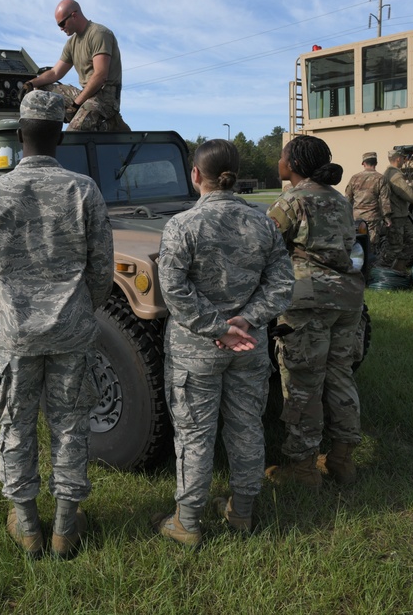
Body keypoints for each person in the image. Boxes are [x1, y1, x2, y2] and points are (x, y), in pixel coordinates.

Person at [0, 90, 114, 559]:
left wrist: (5, 310)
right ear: (59, 135)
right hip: (71, 329)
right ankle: (65, 528)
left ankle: (28, 527)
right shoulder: (83, 189)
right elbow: (102, 268)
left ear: (19, 135)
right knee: (71, 425)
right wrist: (78, 310)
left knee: (16, 424)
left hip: (16, 332)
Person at [154, 140, 293, 547]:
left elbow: (173, 290)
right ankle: (242, 512)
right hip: (249, 345)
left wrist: (217, 328)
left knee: (195, 435)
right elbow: (282, 284)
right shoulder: (263, 222)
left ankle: (188, 523)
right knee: (246, 426)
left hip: (196, 352)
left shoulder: (183, 225)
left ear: (196, 175)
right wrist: (244, 321)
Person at [266, 135, 366, 487]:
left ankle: (303, 468)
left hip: (308, 300)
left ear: (292, 164)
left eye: (281, 156)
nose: (278, 161)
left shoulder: (292, 200)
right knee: (340, 374)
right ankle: (342, 459)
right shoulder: (339, 200)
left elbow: (265, 248)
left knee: (304, 381)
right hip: (348, 298)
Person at [18, 0, 129, 132]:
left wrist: (75, 106)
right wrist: (31, 83)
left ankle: (111, 122)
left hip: (105, 98)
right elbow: (55, 73)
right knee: (41, 89)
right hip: (87, 94)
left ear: (74, 15)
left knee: (72, 135)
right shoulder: (72, 44)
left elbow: (100, 75)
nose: (61, 28)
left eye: (62, 23)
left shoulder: (99, 34)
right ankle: (47, 131)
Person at [381, 150, 413, 272]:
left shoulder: (389, 173)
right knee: (395, 246)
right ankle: (380, 270)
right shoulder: (396, 175)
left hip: (401, 214)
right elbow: (406, 194)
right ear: (398, 159)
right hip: (396, 215)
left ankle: (398, 267)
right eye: (403, 158)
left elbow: (399, 188)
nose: (405, 160)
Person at [344, 152, 392, 266]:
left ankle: (356, 268)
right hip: (372, 218)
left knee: (356, 243)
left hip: (356, 218)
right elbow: (384, 199)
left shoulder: (354, 178)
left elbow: (347, 198)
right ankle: (369, 271)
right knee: (371, 245)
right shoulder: (381, 178)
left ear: (363, 163)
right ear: (376, 163)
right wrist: (387, 217)